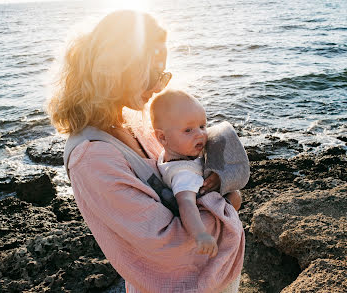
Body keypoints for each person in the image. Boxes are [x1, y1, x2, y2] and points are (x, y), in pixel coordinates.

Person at [47, 10, 244, 293]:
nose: (158, 86)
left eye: (164, 75)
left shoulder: (131, 122)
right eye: (153, 73)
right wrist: (229, 205)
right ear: (117, 67)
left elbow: (179, 172)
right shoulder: (91, 159)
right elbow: (168, 245)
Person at [150, 89, 243, 258]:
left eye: (202, 126)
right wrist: (201, 235)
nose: (200, 134)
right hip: (203, 216)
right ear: (163, 138)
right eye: (188, 130)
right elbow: (186, 203)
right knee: (235, 196)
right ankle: (225, 227)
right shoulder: (184, 174)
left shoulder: (172, 155)